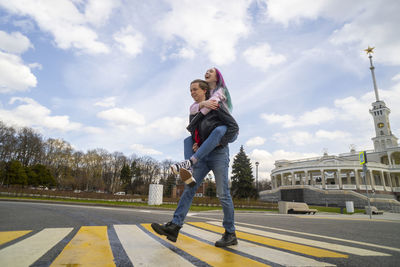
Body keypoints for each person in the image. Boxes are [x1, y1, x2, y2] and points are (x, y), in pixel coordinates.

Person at [151, 79, 239, 247]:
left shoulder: (216, 105)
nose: (192, 93)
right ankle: (174, 226)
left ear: (205, 91)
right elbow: (193, 130)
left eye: (195, 89)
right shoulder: (195, 111)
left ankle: (230, 233)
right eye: (190, 90)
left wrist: (222, 142)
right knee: (189, 188)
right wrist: (196, 141)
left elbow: (234, 127)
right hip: (202, 155)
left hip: (218, 154)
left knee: (223, 194)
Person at [170, 68, 236, 187]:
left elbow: (212, 104)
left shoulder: (220, 92)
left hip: (225, 127)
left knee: (219, 130)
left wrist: (201, 106)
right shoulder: (204, 97)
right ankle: (189, 169)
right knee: (187, 140)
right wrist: (197, 141)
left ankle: (190, 162)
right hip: (209, 135)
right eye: (190, 91)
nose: (207, 72)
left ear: (217, 77)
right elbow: (194, 116)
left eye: (211, 71)